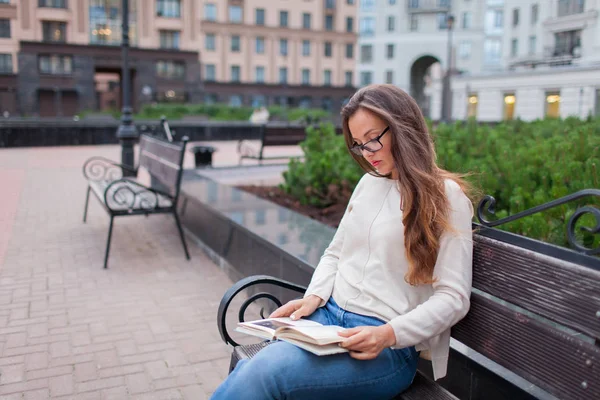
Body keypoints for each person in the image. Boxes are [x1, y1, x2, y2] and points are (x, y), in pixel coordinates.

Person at [211, 84, 475, 400]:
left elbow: (453, 297)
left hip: (383, 346)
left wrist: (389, 334)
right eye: (359, 144)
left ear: (404, 128)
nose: (368, 152)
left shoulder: (447, 198)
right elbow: (336, 252)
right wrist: (313, 297)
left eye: (375, 138)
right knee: (253, 369)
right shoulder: (368, 184)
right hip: (327, 321)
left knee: (266, 373)